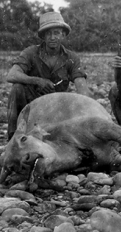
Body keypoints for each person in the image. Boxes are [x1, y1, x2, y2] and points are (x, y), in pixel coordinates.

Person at [5, 11, 90, 140]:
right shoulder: (31, 52)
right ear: (43, 36)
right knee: (17, 88)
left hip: (57, 107)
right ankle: (12, 137)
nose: (52, 37)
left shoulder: (71, 58)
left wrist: (87, 107)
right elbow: (11, 75)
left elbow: (82, 86)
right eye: (48, 33)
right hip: (32, 105)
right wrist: (37, 81)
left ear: (63, 34)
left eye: (56, 33)